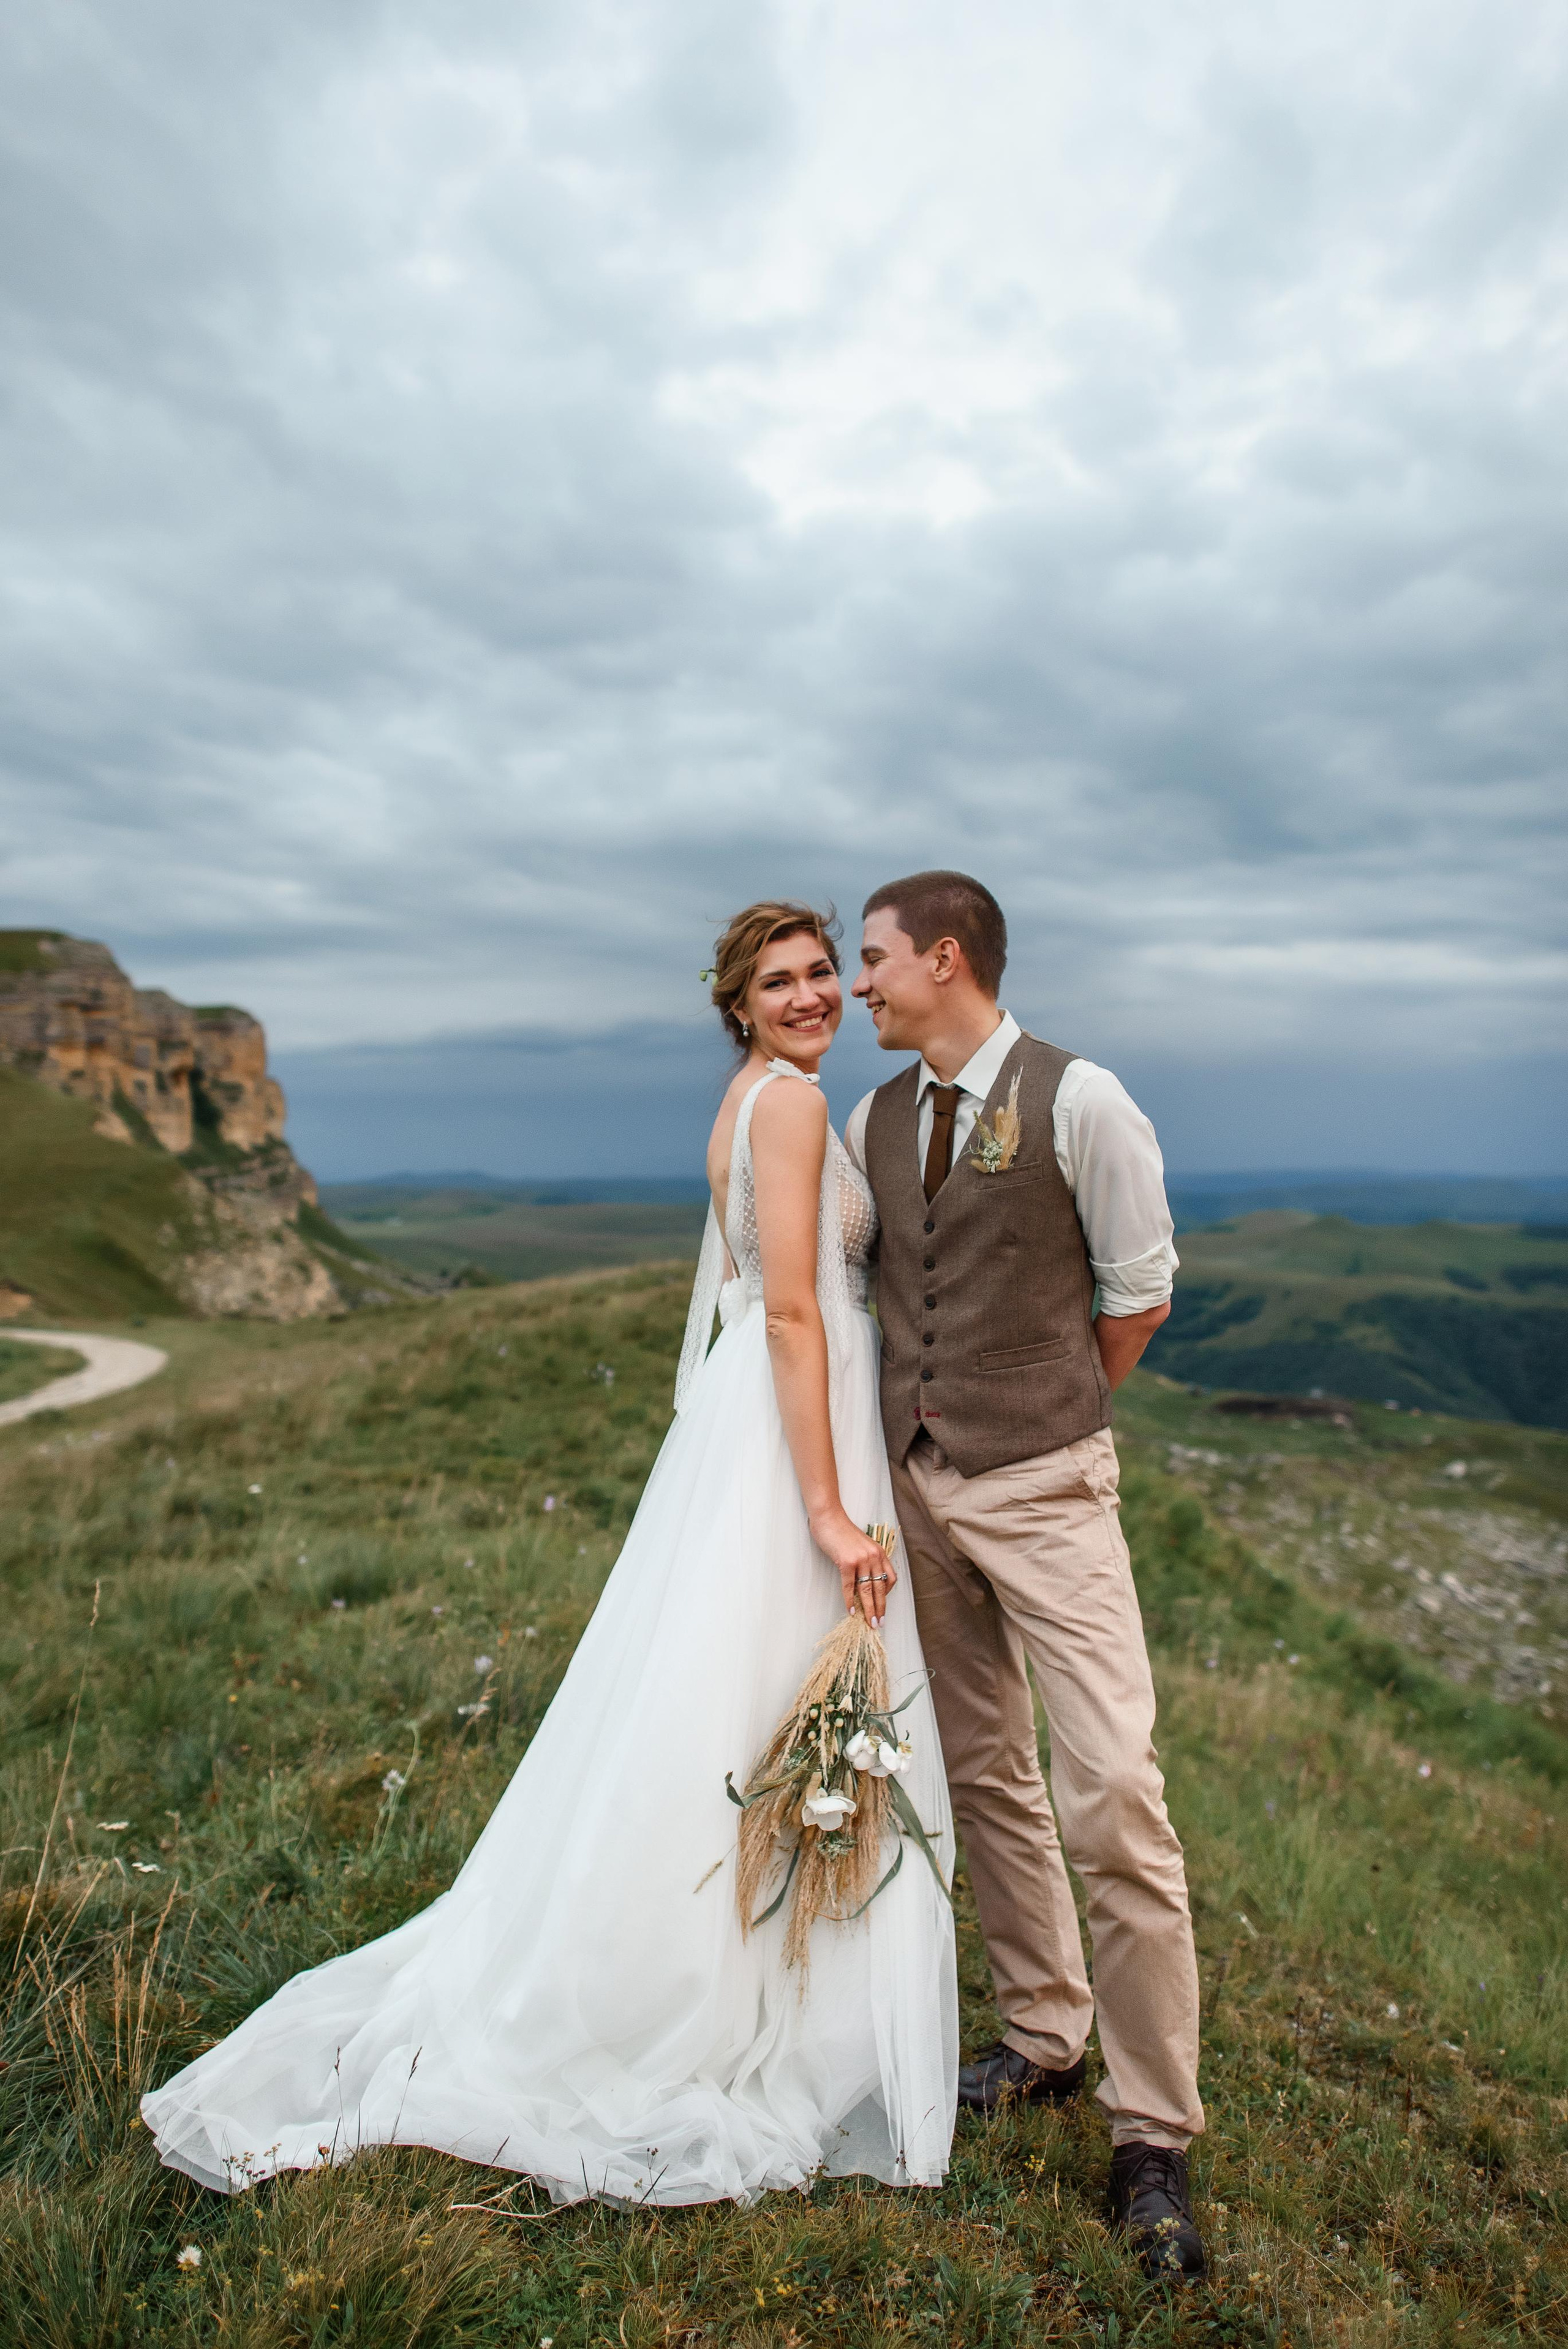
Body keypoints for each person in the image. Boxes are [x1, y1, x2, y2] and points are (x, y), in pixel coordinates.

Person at [141, 901, 957, 2206]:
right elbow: (797, 1313)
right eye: (780, 982)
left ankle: (726, 1958)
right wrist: (824, 1508)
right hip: (792, 1434)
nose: (811, 996)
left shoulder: (751, 1098)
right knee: (764, 1693)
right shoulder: (794, 1109)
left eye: (821, 974)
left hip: (754, 1423)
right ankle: (739, 1994)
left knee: (723, 1705)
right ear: (737, 1006)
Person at [845, 869, 1207, 2281]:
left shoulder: (1082, 1099)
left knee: (1112, 1788)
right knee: (984, 1766)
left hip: (1048, 1486)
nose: (857, 983)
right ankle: (1046, 2035)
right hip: (916, 1490)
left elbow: (1140, 1293)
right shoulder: (874, 1116)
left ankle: (1152, 2133)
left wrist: (1040, 1417)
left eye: (871, 958)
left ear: (945, 959)